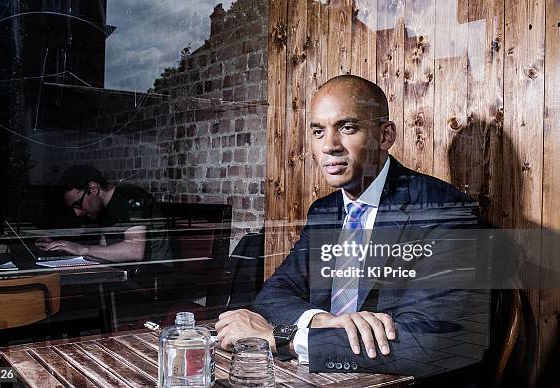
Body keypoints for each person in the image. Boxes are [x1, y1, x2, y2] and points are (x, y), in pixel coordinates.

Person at [215, 75, 489, 379]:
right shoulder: (324, 211)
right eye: (318, 131)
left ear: (385, 136)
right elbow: (273, 294)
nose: (330, 146)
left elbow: (426, 344)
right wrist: (324, 321)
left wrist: (284, 338)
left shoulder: (445, 212)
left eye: (347, 128)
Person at [36, 165, 170, 263]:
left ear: (93, 188)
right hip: (131, 279)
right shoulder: (104, 209)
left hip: (154, 281)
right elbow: (105, 252)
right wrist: (64, 248)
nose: (77, 213)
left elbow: (134, 251)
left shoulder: (130, 198)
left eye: (78, 204)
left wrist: (83, 249)